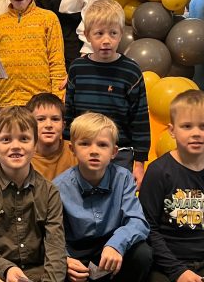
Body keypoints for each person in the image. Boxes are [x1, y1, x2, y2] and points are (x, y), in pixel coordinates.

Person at [0, 106, 66, 282]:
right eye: (6, 139)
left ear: (35, 144)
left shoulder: (50, 192)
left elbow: (55, 249)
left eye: (24, 139)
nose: (16, 146)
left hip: (39, 274)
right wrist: (6, 269)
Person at [139, 90, 204, 282]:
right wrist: (178, 271)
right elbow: (148, 228)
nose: (196, 133)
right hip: (164, 265)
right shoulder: (158, 171)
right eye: (187, 126)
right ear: (172, 131)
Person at [53, 113, 152, 282]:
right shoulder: (58, 187)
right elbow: (51, 233)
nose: (94, 151)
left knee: (143, 253)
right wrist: (64, 258)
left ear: (114, 152)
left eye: (102, 145)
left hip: (112, 248)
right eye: (85, 143)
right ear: (72, 149)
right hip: (76, 253)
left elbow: (138, 221)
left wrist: (116, 244)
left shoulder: (124, 178)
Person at [64, 0, 149, 188]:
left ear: (121, 34)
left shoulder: (131, 71)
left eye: (113, 33)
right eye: (99, 33)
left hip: (120, 153)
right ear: (87, 35)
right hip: (83, 150)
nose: (106, 40)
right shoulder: (77, 68)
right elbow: (69, 112)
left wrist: (139, 164)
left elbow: (140, 119)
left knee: (117, 198)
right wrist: (67, 147)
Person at [25, 93, 77, 180]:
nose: (48, 125)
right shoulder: (23, 156)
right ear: (29, 125)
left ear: (63, 125)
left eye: (55, 119)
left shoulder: (75, 151)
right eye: (41, 119)